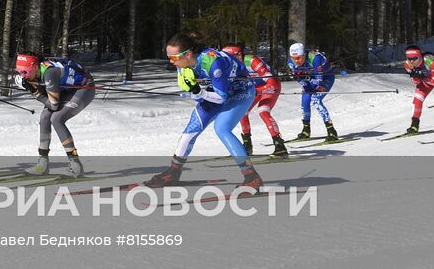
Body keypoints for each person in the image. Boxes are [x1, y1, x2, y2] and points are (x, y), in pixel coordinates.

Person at [145, 33, 262, 190]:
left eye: (173, 58)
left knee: (222, 128)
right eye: (168, 57)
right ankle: (173, 172)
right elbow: (190, 86)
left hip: (240, 91)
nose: (171, 61)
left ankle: (252, 177)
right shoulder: (182, 64)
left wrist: (200, 93)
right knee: (191, 130)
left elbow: (221, 97)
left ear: (188, 54)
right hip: (214, 91)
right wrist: (195, 91)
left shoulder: (213, 62)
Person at [14, 53, 93, 177]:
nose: (22, 75)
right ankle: (43, 163)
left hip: (84, 88)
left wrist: (32, 90)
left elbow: (53, 105)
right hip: (66, 90)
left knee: (57, 119)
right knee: (44, 118)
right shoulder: (36, 72)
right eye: (19, 71)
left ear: (35, 67)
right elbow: (45, 93)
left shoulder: (49, 73)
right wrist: (32, 86)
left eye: (24, 72)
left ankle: (75, 163)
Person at [221, 44, 288, 158]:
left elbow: (271, 81)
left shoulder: (252, 61)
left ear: (238, 55)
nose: (226, 61)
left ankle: (279, 146)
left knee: (263, 111)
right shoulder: (230, 66)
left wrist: (258, 91)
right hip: (255, 88)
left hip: (270, 85)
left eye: (228, 58)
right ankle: (247, 146)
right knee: (242, 112)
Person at [287, 42, 338, 141]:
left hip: (326, 78)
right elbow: (300, 80)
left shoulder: (315, 58)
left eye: (299, 58)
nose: (296, 61)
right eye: (294, 58)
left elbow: (319, 81)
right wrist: (300, 77)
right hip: (310, 79)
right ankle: (306, 130)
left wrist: (307, 77)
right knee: (305, 101)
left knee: (316, 100)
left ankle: (331, 131)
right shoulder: (290, 62)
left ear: (304, 55)